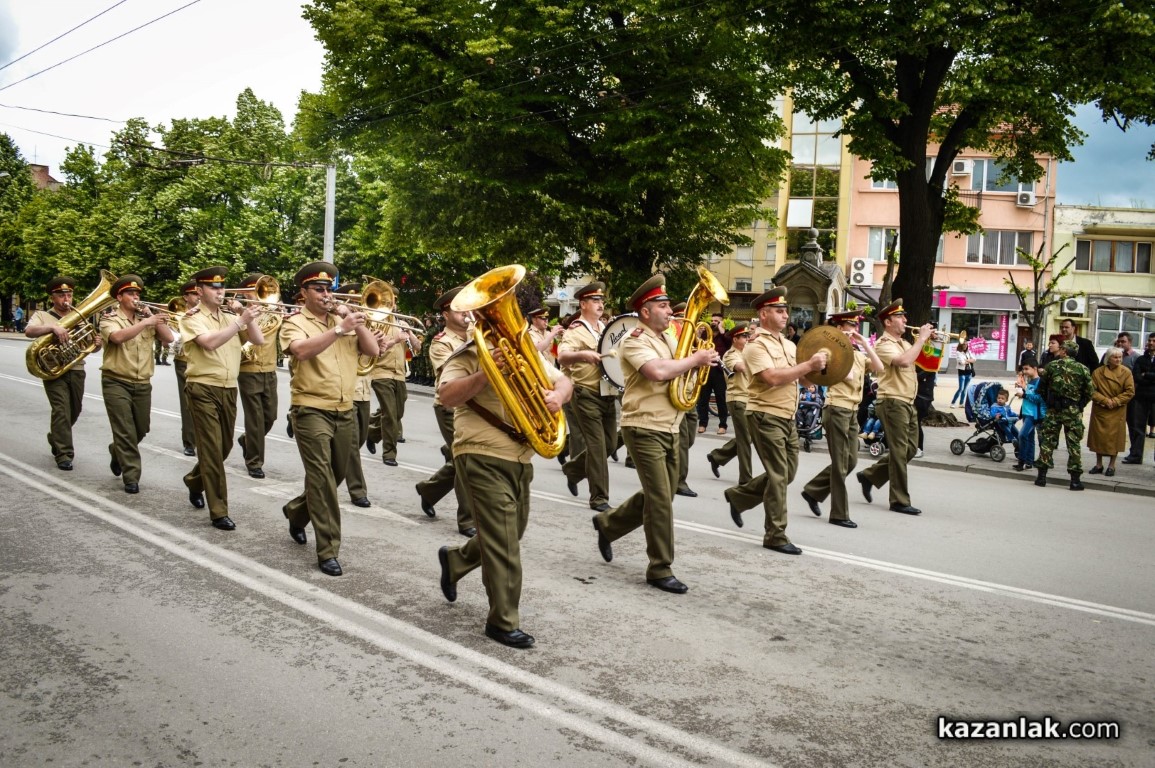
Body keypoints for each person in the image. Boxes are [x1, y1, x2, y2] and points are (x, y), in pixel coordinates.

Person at [436, 281, 573, 647]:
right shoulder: (469, 351)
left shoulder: (523, 350)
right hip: (480, 451)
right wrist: (486, 372)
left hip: (519, 455)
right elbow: (446, 396)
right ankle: (503, 621)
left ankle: (457, 561)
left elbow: (563, 380)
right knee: (506, 545)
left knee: (509, 534)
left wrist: (557, 397)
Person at [591, 274, 717, 591]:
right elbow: (657, 371)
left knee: (661, 493)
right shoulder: (634, 340)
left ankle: (608, 524)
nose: (670, 311)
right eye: (663, 306)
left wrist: (701, 363)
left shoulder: (668, 339)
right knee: (661, 499)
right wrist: (695, 359)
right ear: (645, 311)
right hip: (643, 426)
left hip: (670, 425)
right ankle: (660, 568)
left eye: (668, 305)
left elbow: (680, 369)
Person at [279, 262, 380, 576]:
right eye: (319, 289)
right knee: (323, 481)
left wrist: (355, 324)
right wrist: (338, 330)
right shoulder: (294, 322)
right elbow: (301, 351)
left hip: (344, 408)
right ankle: (328, 550)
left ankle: (297, 512)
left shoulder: (342, 319)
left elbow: (373, 350)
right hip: (310, 409)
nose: (326, 294)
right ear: (304, 292)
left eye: (329, 289)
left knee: (335, 475)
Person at [723, 286, 827, 553]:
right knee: (779, 476)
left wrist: (820, 371)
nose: (785, 315)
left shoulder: (790, 344)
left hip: (787, 416)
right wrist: (808, 366)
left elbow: (800, 377)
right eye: (779, 311)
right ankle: (775, 535)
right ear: (764, 314)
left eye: (785, 311)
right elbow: (771, 378)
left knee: (787, 473)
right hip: (765, 414)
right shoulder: (755, 346)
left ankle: (739, 496)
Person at [180, 266, 265, 530]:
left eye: (222, 287)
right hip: (202, 386)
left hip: (229, 387)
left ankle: (195, 480)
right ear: (199, 291)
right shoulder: (191, 317)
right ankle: (219, 511)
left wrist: (245, 316)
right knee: (212, 451)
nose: (220, 292)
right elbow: (209, 343)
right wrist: (239, 322)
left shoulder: (230, 315)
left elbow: (258, 340)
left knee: (224, 447)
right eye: (213, 288)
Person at [800, 311, 883, 529]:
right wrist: (842, 347)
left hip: (852, 410)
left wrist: (864, 343)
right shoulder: (828, 352)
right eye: (849, 326)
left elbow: (879, 367)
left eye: (855, 327)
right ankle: (838, 513)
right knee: (840, 464)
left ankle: (813, 491)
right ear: (838, 328)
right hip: (837, 408)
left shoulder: (855, 352)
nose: (853, 330)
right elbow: (848, 376)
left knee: (851, 461)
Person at [854, 299, 935, 515]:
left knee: (910, 449)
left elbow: (926, 362)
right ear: (888, 322)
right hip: (892, 401)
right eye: (900, 317)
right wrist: (921, 339)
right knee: (899, 451)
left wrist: (929, 343)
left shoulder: (905, 343)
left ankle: (869, 476)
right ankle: (899, 500)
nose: (905, 320)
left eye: (904, 316)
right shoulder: (883, 344)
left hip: (907, 401)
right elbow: (903, 362)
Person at [100, 275, 175, 493]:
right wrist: (145, 323)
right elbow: (117, 337)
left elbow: (169, 338)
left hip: (142, 382)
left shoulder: (146, 317)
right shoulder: (109, 318)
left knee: (141, 428)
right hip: (116, 381)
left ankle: (117, 451)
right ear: (119, 297)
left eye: (137, 294)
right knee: (125, 429)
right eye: (131, 294)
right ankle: (131, 477)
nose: (136, 297)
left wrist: (151, 317)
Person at [415, 285, 477, 536]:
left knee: (464, 459)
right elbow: (453, 371)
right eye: (459, 310)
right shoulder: (441, 343)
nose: (466, 314)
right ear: (446, 314)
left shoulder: (477, 334)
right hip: (450, 408)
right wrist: (474, 337)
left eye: (467, 309)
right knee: (466, 462)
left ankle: (429, 490)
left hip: (475, 407)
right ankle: (468, 520)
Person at [25, 276, 99, 471]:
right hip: (54, 371)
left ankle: (56, 437)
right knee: (61, 411)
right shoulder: (43, 315)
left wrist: (97, 344)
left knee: (75, 410)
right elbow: (29, 331)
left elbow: (89, 344)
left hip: (76, 368)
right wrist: (52, 328)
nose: (66, 298)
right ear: (53, 297)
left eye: (69, 294)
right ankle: (64, 454)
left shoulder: (79, 315)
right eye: (61, 295)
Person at [559, 282, 619, 512]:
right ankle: (599, 498)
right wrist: (582, 355)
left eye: (601, 301)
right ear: (583, 304)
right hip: (585, 393)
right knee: (597, 447)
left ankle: (573, 470)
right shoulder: (576, 330)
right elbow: (563, 356)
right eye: (595, 301)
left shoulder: (605, 328)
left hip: (607, 392)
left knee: (610, 443)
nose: (600, 304)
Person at [366, 286, 421, 467]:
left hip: (399, 374)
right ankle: (389, 453)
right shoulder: (376, 322)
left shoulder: (401, 323)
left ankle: (371, 433)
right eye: (389, 300)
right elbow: (373, 350)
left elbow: (417, 348)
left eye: (394, 300)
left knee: (397, 413)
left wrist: (410, 334)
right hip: (381, 372)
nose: (392, 304)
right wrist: (396, 340)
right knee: (390, 414)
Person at [236, 273, 282, 479]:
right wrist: (243, 316)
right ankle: (254, 461)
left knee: (270, 416)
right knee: (255, 418)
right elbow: (245, 338)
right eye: (253, 290)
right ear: (246, 293)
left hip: (269, 369)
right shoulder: (239, 315)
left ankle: (247, 440)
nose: (259, 294)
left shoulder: (272, 313)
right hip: (249, 369)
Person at [332, 283, 373, 509]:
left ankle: (331, 472)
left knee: (359, 440)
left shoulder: (366, 324)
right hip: (346, 389)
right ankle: (358, 490)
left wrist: (383, 344)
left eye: (360, 302)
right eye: (353, 303)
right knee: (353, 444)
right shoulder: (339, 322)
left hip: (365, 390)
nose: (358, 307)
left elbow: (373, 352)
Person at [1034, 339, 1094, 490]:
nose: (1059, 350)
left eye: (1061, 348)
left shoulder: (1051, 366)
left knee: (1048, 441)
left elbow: (1041, 388)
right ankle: (1075, 480)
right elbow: (1089, 392)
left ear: (1065, 351)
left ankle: (1041, 477)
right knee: (1073, 444)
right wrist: (1079, 405)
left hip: (1054, 410)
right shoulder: (1082, 369)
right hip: (1072, 411)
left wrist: (1050, 402)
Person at [707, 323, 754, 484]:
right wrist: (757, 358)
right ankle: (746, 479)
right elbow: (741, 367)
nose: (747, 339)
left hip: (751, 399)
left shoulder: (748, 352)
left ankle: (717, 456)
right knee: (745, 439)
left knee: (748, 437)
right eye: (744, 337)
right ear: (735, 339)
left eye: (748, 336)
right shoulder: (730, 354)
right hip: (737, 399)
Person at [1087, 348, 1134, 477]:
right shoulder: (1098, 372)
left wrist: (1115, 401)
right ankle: (1098, 464)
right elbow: (1091, 390)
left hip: (1117, 410)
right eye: (1115, 357)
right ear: (1108, 359)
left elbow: (1130, 391)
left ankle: (1112, 465)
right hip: (1101, 409)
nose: (1118, 360)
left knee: (1114, 439)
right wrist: (1104, 400)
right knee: (1098, 437)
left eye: (1120, 357)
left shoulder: (1126, 372)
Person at [171, 280, 200, 456]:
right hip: (185, 360)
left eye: (199, 293)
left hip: (205, 360)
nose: (198, 296)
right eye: (194, 294)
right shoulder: (177, 315)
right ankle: (190, 441)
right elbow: (173, 341)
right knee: (188, 403)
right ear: (185, 297)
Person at [1123, 333, 1155, 465]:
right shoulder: (1141, 359)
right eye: (1150, 340)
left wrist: (1146, 374)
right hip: (1141, 397)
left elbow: (1142, 376)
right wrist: (1150, 378)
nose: (1151, 343)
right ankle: (1136, 455)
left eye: (1154, 341)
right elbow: (1136, 376)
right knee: (1137, 427)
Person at [696, 312, 730, 435]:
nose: (713, 323)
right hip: (705, 369)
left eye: (716, 321)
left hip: (719, 370)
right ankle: (702, 424)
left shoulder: (725, 334)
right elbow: (696, 346)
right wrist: (698, 334)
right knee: (703, 399)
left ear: (721, 322)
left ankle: (723, 425)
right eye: (712, 320)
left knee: (721, 398)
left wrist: (722, 330)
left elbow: (730, 344)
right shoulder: (705, 334)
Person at [1012, 362, 1046, 471]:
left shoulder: (1040, 382)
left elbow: (1039, 398)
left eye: (1027, 369)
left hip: (1033, 415)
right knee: (1030, 438)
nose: (1025, 371)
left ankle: (1021, 461)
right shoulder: (1030, 381)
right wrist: (1022, 389)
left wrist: (1024, 395)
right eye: (1023, 369)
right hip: (1026, 413)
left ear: (1034, 368)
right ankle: (1029, 462)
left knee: (1022, 435)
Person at [949, 341, 975, 408]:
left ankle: (961, 403)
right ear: (961, 345)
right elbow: (961, 362)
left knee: (965, 389)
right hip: (962, 373)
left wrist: (967, 360)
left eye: (966, 344)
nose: (965, 346)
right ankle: (953, 403)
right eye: (964, 344)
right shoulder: (958, 353)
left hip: (969, 373)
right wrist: (969, 360)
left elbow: (974, 359)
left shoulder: (968, 352)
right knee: (961, 388)